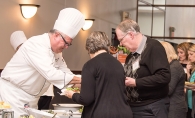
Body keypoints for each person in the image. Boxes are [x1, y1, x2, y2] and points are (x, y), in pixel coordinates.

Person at [0, 8, 85, 117]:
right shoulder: (36, 45)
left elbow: (66, 73)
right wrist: (83, 79)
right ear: (56, 35)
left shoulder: (57, 53)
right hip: (12, 96)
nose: (66, 47)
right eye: (66, 43)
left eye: (69, 44)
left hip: (31, 99)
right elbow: (51, 74)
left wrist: (84, 82)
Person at [65, 31, 133, 118]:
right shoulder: (118, 64)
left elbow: (86, 99)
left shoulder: (90, 65)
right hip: (124, 113)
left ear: (89, 48)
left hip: (101, 113)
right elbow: (107, 87)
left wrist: (72, 95)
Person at [115, 19, 171, 118]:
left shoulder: (153, 47)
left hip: (151, 108)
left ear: (131, 35)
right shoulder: (131, 55)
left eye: (121, 40)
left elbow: (164, 76)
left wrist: (136, 82)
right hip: (135, 107)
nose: (120, 44)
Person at [161, 41, 187, 118]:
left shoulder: (174, 67)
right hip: (171, 107)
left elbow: (168, 90)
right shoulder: (170, 65)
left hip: (175, 108)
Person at [186, 44, 195, 118]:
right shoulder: (193, 68)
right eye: (188, 54)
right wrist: (188, 72)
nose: (189, 56)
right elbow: (190, 83)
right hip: (190, 104)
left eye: (191, 54)